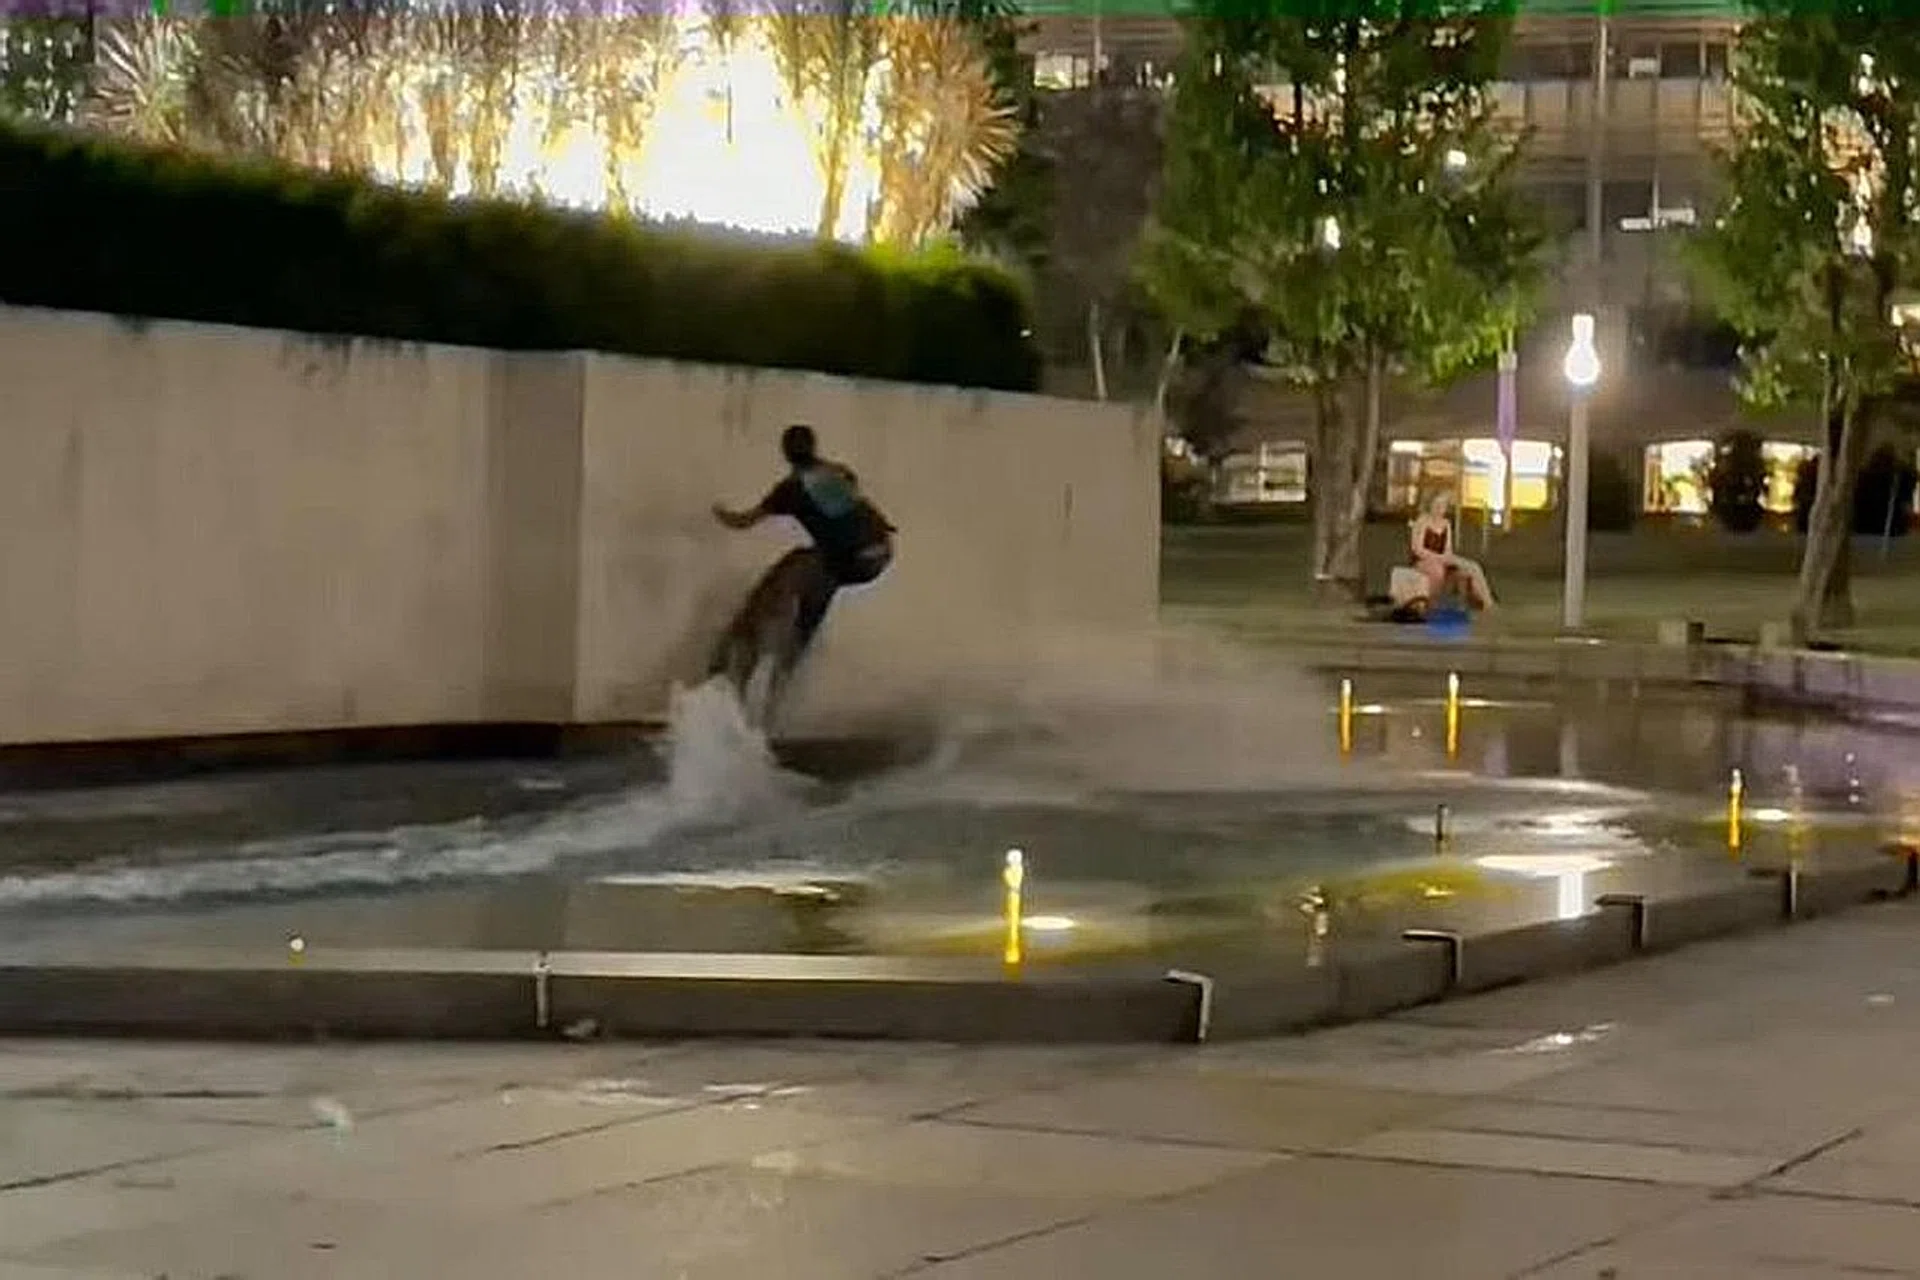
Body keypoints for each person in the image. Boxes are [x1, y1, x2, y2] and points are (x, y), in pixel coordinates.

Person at [711, 424, 896, 665]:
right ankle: (791, 654)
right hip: (881, 551)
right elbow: (851, 483)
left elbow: (742, 522)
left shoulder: (791, 489)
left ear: (785, 452)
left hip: (854, 558)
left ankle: (745, 640)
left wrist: (716, 511)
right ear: (813, 447)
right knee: (819, 576)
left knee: (800, 565)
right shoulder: (835, 472)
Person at [1409, 492, 1496, 611]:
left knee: (1473, 567)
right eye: (1437, 505)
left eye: (1442, 505)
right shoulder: (1422, 521)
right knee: (1437, 571)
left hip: (1443, 557)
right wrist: (1438, 558)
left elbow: (1448, 548)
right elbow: (1417, 549)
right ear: (1430, 505)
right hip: (1423, 559)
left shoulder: (1446, 523)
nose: (1439, 509)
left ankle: (1487, 601)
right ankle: (1432, 602)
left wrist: (1446, 558)